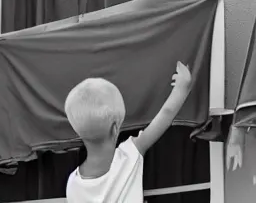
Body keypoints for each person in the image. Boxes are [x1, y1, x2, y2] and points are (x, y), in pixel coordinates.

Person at [65, 61, 192, 202]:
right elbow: (166, 114)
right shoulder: (129, 154)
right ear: (114, 129)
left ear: (78, 132)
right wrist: (182, 87)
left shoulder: (73, 183)